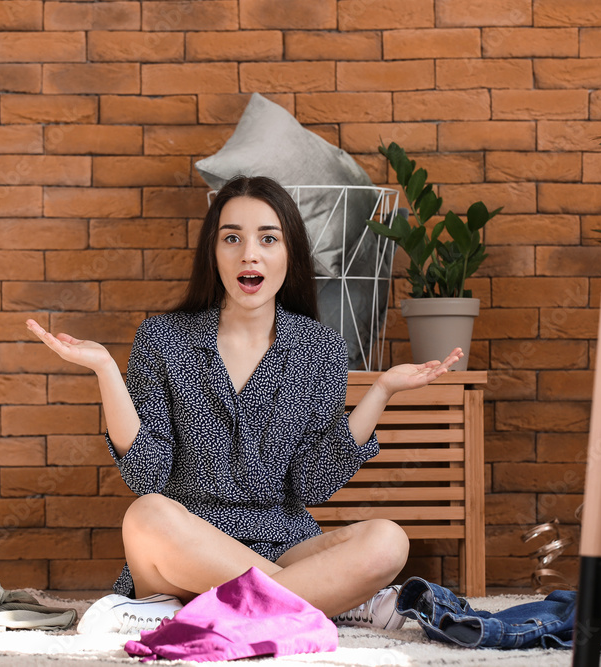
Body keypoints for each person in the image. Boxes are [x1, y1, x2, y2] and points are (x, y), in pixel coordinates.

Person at [26, 175, 463, 634]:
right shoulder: (162, 339)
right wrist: (106, 372)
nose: (248, 253)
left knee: (388, 540)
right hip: (181, 551)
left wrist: (381, 392)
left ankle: (197, 616)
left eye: (267, 239)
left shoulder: (321, 350)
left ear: (289, 253)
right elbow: (147, 476)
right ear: (213, 253)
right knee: (146, 514)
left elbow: (310, 485)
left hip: (284, 541)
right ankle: (323, 603)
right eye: (231, 237)